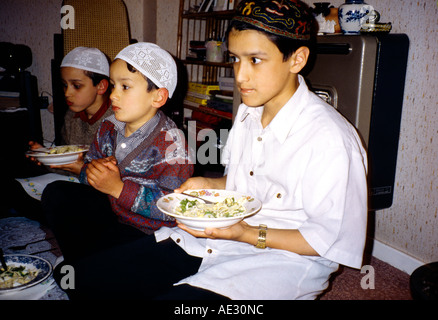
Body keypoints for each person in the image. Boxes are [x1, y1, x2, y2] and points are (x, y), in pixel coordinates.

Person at [48, 0, 368, 300]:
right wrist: (209, 185)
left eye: (255, 60)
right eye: (235, 58)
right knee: (74, 278)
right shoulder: (249, 112)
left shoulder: (332, 140)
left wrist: (245, 234)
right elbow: (245, 184)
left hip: (282, 263)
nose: (240, 75)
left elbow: (328, 240)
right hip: (211, 242)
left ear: (296, 59)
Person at [42, 42, 194, 262]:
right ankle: (85, 260)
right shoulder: (108, 127)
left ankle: (94, 263)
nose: (113, 95)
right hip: (114, 216)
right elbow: (92, 174)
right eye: (113, 86)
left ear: (158, 97)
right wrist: (85, 170)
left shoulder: (172, 144)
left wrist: (119, 188)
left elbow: (172, 207)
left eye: (125, 87)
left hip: (151, 233)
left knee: (95, 277)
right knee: (56, 193)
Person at [0, 47, 112, 223]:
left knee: (57, 196)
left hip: (101, 192)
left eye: (76, 86)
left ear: (101, 86)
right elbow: (66, 163)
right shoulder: (71, 117)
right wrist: (48, 157)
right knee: (10, 180)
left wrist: (81, 168)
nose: (67, 93)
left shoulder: (116, 120)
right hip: (72, 182)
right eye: (65, 85)